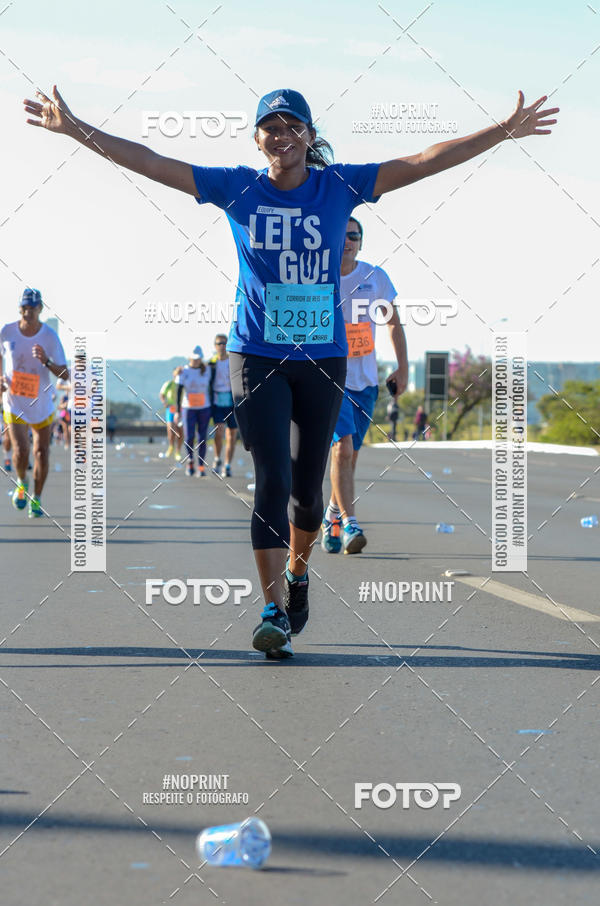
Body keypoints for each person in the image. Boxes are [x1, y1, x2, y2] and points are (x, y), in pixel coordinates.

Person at [24, 83, 558, 656]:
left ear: (309, 135)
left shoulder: (339, 186)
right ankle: (273, 607)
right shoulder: (237, 187)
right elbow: (152, 162)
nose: (282, 136)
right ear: (257, 139)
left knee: (307, 492)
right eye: (271, 128)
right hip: (256, 353)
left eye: (292, 127)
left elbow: (424, 160)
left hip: (322, 358)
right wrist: (75, 128)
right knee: (273, 480)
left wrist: (501, 132)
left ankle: (299, 574)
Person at [321, 217, 408, 555]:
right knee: (342, 449)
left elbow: (393, 323)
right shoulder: (320, 275)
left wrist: (403, 368)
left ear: (361, 242)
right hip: (331, 379)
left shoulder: (375, 277)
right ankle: (350, 523)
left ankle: (332, 515)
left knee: (350, 455)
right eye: (342, 235)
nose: (348, 241)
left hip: (365, 382)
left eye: (354, 236)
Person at [0, 288, 69, 516]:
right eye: (24, 308)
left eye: (33, 308)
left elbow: (65, 373)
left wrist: (46, 362)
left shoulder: (49, 336)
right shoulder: (7, 331)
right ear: (19, 308)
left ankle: (37, 498)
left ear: (40, 309)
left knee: (41, 452)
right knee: (21, 450)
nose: (28, 312)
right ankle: (22, 481)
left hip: (41, 403)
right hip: (14, 401)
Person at [176, 346, 211, 477]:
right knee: (189, 436)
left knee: (202, 437)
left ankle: (201, 465)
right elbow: (179, 391)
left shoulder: (207, 370)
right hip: (188, 408)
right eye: (194, 358)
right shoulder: (183, 371)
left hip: (204, 407)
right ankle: (190, 460)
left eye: (198, 359)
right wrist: (178, 411)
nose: (196, 361)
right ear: (189, 358)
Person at [208, 334, 238, 478]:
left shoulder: (233, 361)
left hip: (232, 401)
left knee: (231, 435)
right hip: (217, 401)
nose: (222, 346)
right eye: (219, 343)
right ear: (215, 346)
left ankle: (227, 465)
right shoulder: (211, 364)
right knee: (219, 432)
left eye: (224, 343)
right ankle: (217, 458)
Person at [159, 366, 183, 460]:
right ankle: (171, 446)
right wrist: (164, 402)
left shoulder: (184, 384)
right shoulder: (169, 384)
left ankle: (178, 451)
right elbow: (162, 394)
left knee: (180, 431)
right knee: (171, 429)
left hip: (181, 409)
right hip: (171, 409)